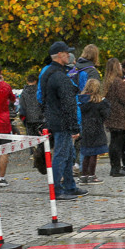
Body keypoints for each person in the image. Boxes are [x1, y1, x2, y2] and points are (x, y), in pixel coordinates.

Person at [39, 41, 87, 200]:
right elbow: (68, 103)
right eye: (67, 53)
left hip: (55, 119)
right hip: (62, 121)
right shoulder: (59, 76)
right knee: (61, 156)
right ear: (60, 55)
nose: (69, 56)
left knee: (67, 154)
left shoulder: (48, 73)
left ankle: (70, 186)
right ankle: (58, 191)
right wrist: (74, 127)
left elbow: (44, 99)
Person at [103, 57, 125, 178]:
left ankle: (115, 167)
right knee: (118, 143)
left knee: (114, 143)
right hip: (120, 117)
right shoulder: (117, 81)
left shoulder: (108, 81)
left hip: (112, 116)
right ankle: (116, 168)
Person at [77, 78, 109, 185]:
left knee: (86, 153)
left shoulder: (82, 101)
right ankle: (92, 175)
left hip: (85, 128)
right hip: (96, 128)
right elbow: (106, 114)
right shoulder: (99, 102)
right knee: (94, 154)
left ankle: (83, 175)